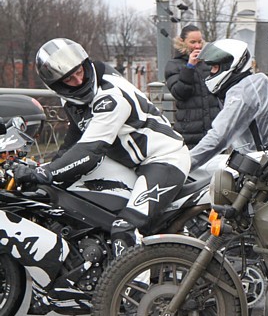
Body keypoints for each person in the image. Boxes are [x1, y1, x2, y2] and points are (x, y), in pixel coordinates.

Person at [16, 38, 190, 256]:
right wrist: (41, 169)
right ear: (58, 85)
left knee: (125, 228)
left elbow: (89, 151)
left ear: (85, 63)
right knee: (68, 197)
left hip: (164, 159)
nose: (79, 79)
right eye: (69, 78)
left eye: (79, 70)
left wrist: (42, 173)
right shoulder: (72, 101)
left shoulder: (110, 96)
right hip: (130, 163)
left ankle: (134, 289)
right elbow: (73, 141)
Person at [187, 38, 268, 170]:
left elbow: (219, 137)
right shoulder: (255, 82)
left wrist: (183, 164)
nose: (211, 73)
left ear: (231, 65)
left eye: (214, 67)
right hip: (263, 159)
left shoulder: (242, 92)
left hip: (258, 166)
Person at [164, 25, 221, 149]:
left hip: (214, 130)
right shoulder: (173, 65)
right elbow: (180, 93)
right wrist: (189, 67)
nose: (197, 46)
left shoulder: (209, 63)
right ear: (182, 42)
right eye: (193, 42)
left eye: (200, 41)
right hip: (189, 132)